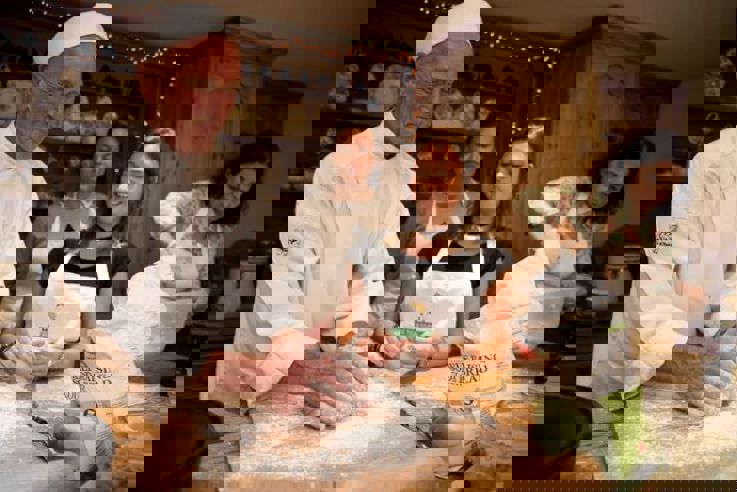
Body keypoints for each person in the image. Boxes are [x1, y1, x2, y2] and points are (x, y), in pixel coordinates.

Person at [207, 0, 515, 431]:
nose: (430, 192)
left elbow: (363, 288)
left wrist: (369, 339)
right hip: (273, 369)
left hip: (342, 378)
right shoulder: (340, 178)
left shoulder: (452, 245)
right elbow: (298, 279)